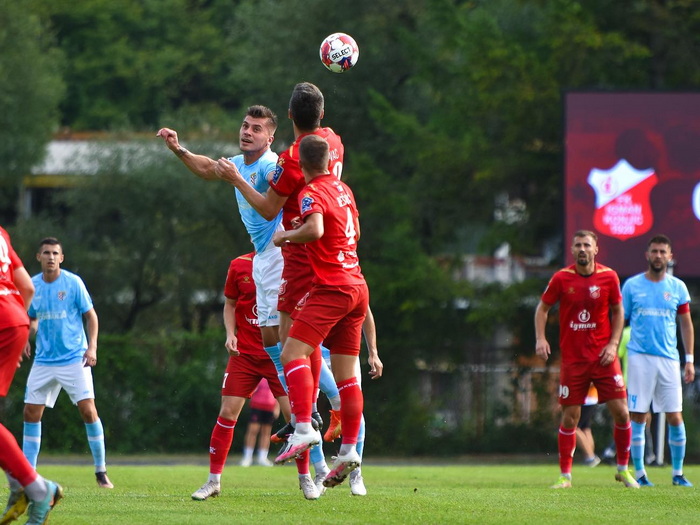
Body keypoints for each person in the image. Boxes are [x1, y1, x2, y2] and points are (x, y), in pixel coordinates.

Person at [214, 83, 346, 499]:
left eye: (256, 127)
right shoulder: (331, 141)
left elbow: (270, 208)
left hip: (287, 251)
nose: (247, 131)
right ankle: (317, 422)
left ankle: (313, 418)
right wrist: (182, 152)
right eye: (245, 125)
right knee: (293, 344)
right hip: (327, 252)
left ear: (283, 123)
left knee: (287, 346)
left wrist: (237, 179)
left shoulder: (285, 162)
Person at [272, 134, 370, 492]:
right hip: (358, 285)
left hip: (332, 287)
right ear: (329, 161)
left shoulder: (308, 192)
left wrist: (285, 236)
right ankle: (348, 453)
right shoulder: (344, 189)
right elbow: (355, 230)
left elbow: (314, 229)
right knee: (348, 379)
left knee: (291, 352)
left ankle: (303, 427)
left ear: (302, 166)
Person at [535, 229, 638, 489]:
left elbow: (618, 310)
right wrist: (540, 338)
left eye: (587, 245)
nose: (582, 249)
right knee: (570, 417)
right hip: (574, 360)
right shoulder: (561, 278)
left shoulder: (609, 276)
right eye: (578, 245)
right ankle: (565, 477)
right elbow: (543, 308)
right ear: (572, 250)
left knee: (623, 413)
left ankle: (624, 470)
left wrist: (613, 344)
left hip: (604, 358)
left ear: (596, 249)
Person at [191, 253, 292, 500]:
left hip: (278, 355)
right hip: (244, 354)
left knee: (297, 419)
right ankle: (213, 481)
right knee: (227, 412)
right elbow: (230, 303)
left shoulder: (290, 262)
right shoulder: (239, 264)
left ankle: (308, 478)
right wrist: (230, 334)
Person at [23, 237, 113, 489]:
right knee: (31, 412)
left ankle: (101, 471)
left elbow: (91, 316)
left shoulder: (73, 283)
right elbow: (31, 319)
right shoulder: (31, 286)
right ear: (38, 257)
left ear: (61, 258)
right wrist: (26, 338)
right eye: (46, 253)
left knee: (88, 410)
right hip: (44, 360)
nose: (50, 257)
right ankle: (28, 474)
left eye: (55, 253)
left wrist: (92, 347)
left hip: (74, 358)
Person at [0, 226, 63, 525]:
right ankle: (21, 484)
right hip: (14, 320)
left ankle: (37, 489)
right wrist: (18, 324)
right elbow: (27, 287)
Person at [621, 234, 695, 487]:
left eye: (663, 251)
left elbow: (686, 324)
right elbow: (621, 318)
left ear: (670, 256)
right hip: (640, 357)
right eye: (654, 251)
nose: (658, 256)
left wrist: (689, 359)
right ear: (647, 255)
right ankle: (641, 474)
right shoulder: (631, 286)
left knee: (675, 415)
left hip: (669, 358)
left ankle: (677, 473)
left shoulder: (678, 288)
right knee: (639, 415)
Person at [240, 378, 279, 467]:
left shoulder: (274, 375)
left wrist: (277, 407)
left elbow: (278, 392)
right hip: (257, 405)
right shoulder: (258, 375)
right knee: (252, 431)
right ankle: (247, 457)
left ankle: (262, 457)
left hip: (270, 406)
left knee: (266, 433)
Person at [576, 384, 601, 467]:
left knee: (574, 428)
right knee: (585, 428)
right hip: (591, 397)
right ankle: (589, 457)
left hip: (585, 397)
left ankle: (590, 457)